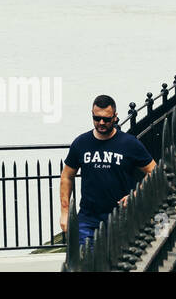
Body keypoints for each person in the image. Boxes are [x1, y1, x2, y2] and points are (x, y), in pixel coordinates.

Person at [61, 96, 156, 244]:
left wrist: (137, 193)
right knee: (85, 262)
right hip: (88, 219)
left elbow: (154, 172)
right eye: (96, 118)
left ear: (115, 117)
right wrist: (65, 212)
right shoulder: (81, 143)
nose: (101, 123)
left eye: (106, 119)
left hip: (122, 217)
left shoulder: (129, 143)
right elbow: (67, 176)